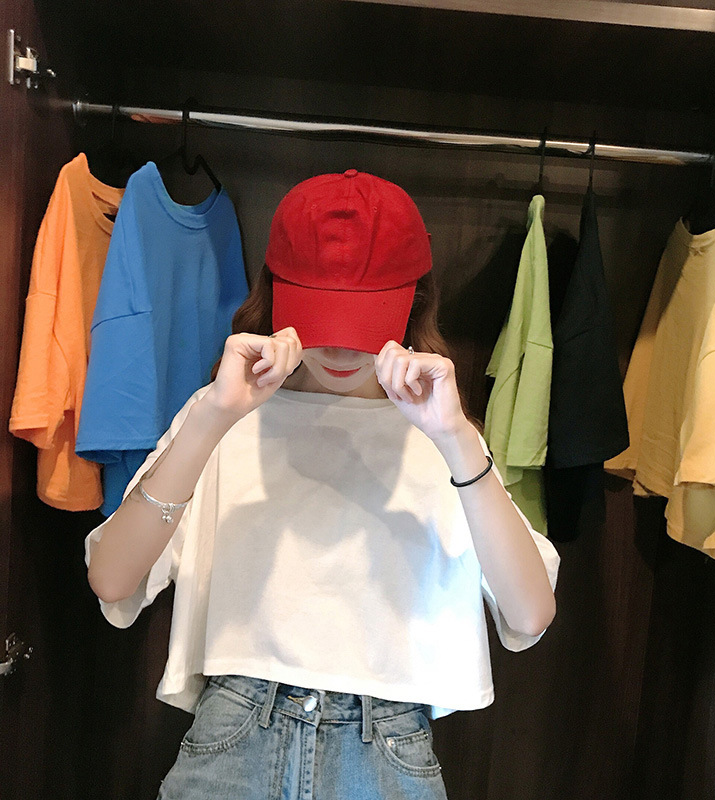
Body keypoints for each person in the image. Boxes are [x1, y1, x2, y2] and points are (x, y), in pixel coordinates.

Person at [85, 169, 560, 800]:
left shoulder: (441, 435)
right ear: (276, 293)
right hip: (237, 731)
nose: (340, 347)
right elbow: (112, 579)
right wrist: (211, 419)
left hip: (385, 749)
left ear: (414, 300)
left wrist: (455, 439)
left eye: (360, 318)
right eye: (321, 311)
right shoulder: (224, 414)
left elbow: (530, 613)